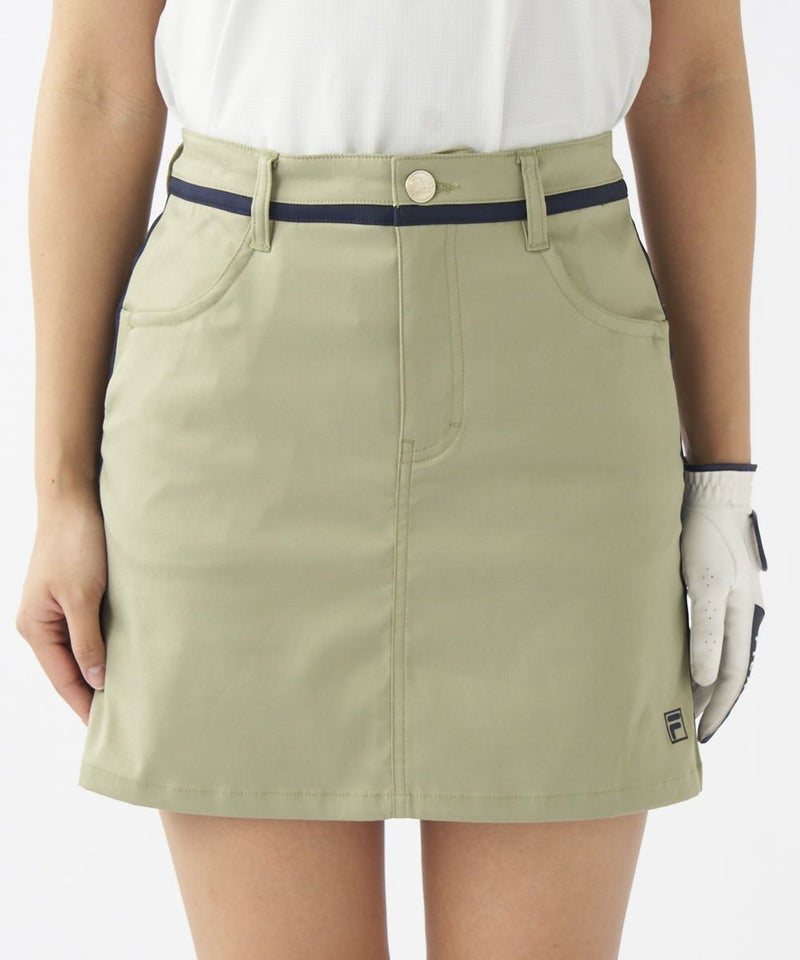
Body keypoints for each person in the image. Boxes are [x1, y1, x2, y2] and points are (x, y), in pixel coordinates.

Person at [16, 1, 768, 957]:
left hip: (556, 379)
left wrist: (723, 480)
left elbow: (692, 84)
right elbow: (98, 88)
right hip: (239, 385)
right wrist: (59, 491)